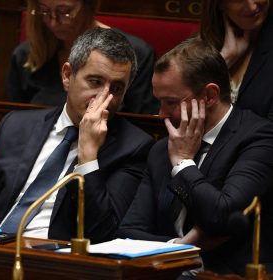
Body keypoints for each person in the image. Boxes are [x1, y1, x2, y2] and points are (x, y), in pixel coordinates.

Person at [0, 27, 154, 243]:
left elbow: (103, 234)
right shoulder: (16, 126)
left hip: (56, 261)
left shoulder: (133, 148)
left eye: (117, 88)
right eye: (95, 82)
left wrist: (88, 156)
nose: (105, 97)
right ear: (67, 76)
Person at [116, 37, 273, 277]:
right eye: (159, 102)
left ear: (209, 96)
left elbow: (221, 215)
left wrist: (183, 163)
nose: (161, 115)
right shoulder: (161, 149)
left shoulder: (259, 139)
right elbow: (129, 230)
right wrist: (180, 249)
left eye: (171, 102)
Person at [6, 0, 158, 114]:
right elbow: (15, 122)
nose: (53, 22)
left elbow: (141, 126)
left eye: (64, 12)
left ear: (89, 5)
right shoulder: (26, 55)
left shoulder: (135, 54)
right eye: (44, 11)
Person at [200, 0, 273, 120]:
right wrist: (224, 59)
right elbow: (181, 109)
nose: (252, 6)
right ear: (219, 4)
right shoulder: (202, 44)